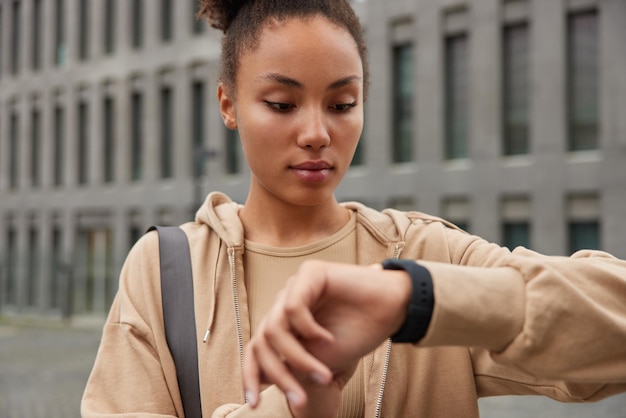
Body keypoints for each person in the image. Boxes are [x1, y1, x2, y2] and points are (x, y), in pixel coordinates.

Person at [80, 0, 626, 417]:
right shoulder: (165, 271)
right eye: (281, 104)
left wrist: (418, 298)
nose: (317, 133)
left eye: (343, 104)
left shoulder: (421, 253)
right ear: (228, 103)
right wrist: (294, 405)